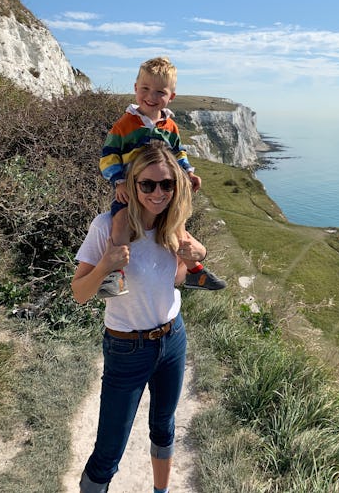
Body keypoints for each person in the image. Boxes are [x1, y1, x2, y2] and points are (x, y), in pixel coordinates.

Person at [72, 141, 207, 493]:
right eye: (147, 184)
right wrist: (106, 264)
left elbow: (175, 280)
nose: (158, 193)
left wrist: (195, 256)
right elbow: (80, 294)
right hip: (127, 347)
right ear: (132, 185)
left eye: (166, 184)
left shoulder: (173, 225)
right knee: (108, 452)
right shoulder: (106, 227)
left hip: (172, 338)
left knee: (164, 427)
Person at [98, 56, 226, 297]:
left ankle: (194, 270)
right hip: (132, 191)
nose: (151, 96)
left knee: (178, 224)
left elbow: (178, 153)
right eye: (145, 89)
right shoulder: (124, 125)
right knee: (120, 222)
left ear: (171, 97)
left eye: (159, 92)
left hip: (162, 191)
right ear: (135, 89)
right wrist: (119, 181)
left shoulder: (171, 127)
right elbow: (108, 157)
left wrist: (188, 172)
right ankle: (116, 273)